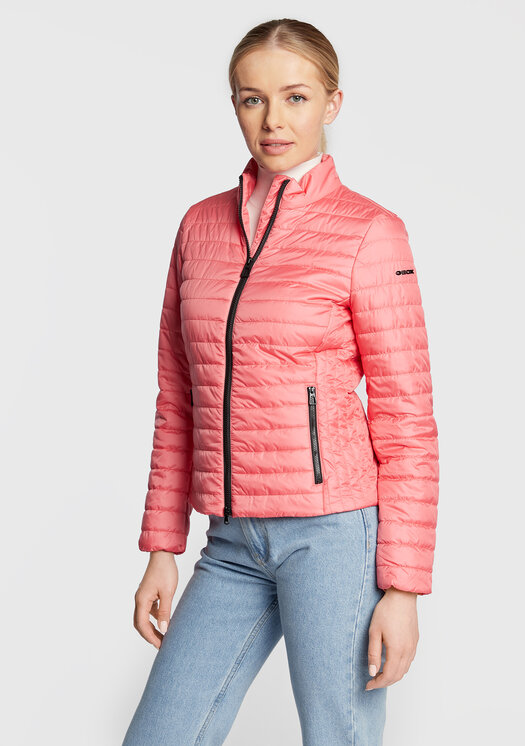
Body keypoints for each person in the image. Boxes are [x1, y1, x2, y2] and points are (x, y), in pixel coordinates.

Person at [122, 17, 439, 746]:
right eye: (252, 99)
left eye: (295, 97)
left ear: (332, 103)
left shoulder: (370, 232)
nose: (272, 120)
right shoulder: (199, 228)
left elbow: (406, 419)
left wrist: (403, 587)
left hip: (333, 538)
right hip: (231, 539)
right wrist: (162, 546)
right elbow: (180, 401)